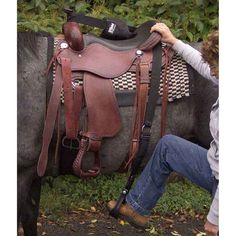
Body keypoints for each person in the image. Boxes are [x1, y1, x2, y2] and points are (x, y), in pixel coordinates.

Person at [108, 23, 219, 236]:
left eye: (215, 65)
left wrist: (215, 217)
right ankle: (136, 208)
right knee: (168, 146)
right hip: (215, 169)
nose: (211, 70)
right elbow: (203, 66)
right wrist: (174, 41)